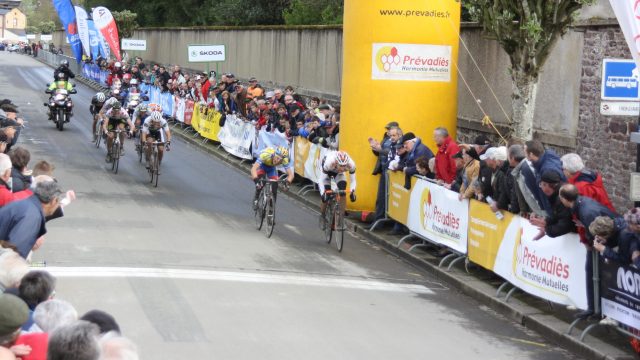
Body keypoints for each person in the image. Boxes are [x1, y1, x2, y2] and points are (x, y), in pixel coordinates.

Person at [559, 183, 622, 319]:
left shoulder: (586, 210)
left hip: (606, 243)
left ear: (564, 198)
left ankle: (598, 310)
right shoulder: (581, 204)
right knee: (591, 271)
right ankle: (593, 308)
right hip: (601, 242)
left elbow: (596, 231)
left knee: (596, 273)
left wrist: (590, 241)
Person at [0, 179, 62, 258]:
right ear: (54, 201)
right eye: (58, 202)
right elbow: (15, 252)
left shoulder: (25, 205)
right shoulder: (32, 216)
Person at [368, 122, 399, 226]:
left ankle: (383, 221)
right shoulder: (386, 138)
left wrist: (380, 149)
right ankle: (378, 220)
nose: (388, 131)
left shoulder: (397, 140)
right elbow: (380, 152)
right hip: (383, 169)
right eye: (387, 129)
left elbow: (392, 152)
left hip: (390, 171)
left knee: (390, 197)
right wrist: (374, 148)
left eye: (389, 129)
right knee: (381, 197)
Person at [528, 171, 575, 239]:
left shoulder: (561, 199)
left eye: (541, 185)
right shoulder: (556, 194)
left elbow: (566, 224)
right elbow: (558, 215)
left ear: (546, 185)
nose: (541, 187)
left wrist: (547, 230)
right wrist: (546, 221)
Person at [524, 140, 566, 216]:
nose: (524, 155)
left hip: (555, 211)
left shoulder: (547, 170)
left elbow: (549, 194)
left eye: (525, 152)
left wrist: (548, 215)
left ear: (531, 154)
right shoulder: (545, 160)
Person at [319, 151, 357, 225]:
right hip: (327, 173)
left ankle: (341, 217)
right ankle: (323, 215)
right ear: (336, 162)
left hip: (339, 174)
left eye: (344, 166)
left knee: (343, 192)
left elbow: (353, 180)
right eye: (341, 165)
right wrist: (323, 193)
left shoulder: (351, 164)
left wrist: (353, 192)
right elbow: (321, 180)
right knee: (326, 194)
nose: (343, 168)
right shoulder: (329, 163)